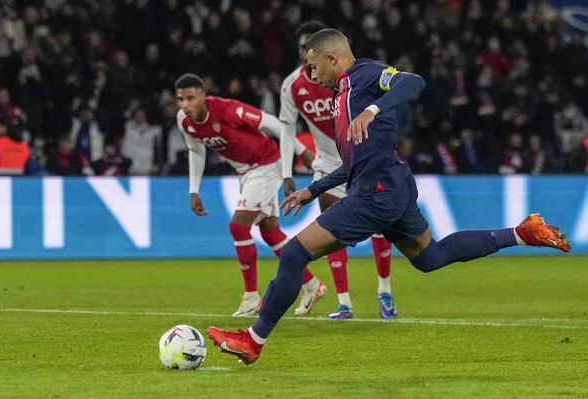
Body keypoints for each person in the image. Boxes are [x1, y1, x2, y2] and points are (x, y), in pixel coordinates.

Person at [207, 28, 571, 365]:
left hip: (375, 193)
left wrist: (373, 107)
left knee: (294, 254)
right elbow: (354, 161)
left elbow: (413, 81)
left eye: (314, 66)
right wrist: (312, 189)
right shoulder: (341, 97)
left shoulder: (365, 75)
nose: (311, 76)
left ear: (332, 58)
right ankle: (522, 233)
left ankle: (253, 341)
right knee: (431, 256)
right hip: (390, 185)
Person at [175, 73, 327, 317]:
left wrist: (302, 151)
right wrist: (194, 190)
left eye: (190, 98)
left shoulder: (229, 110)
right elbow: (195, 151)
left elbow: (276, 125)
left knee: (238, 227)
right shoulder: (184, 121)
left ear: (203, 95)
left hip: (266, 164)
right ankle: (311, 285)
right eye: (180, 100)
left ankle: (251, 298)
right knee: (269, 231)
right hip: (246, 171)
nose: (185, 105)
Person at [279, 21, 396, 320]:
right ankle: (344, 302)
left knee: (382, 227)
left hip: (365, 159)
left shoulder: (354, 77)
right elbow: (285, 129)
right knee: (331, 229)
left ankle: (385, 290)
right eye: (303, 45)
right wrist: (285, 171)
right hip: (329, 165)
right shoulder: (292, 86)